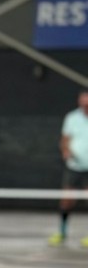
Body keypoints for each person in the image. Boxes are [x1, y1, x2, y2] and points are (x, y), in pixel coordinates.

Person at [49, 90, 88, 247]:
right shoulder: (72, 118)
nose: (85, 104)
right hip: (74, 167)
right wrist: (66, 151)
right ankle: (62, 231)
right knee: (66, 200)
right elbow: (65, 140)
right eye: (83, 101)